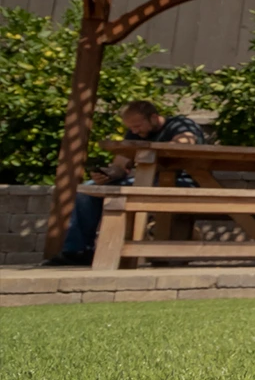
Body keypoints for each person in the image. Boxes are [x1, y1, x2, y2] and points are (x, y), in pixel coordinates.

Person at [48, 100, 206, 266]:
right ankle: (78, 251)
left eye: (138, 126)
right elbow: (119, 165)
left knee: (123, 190)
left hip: (185, 181)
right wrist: (108, 174)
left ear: (153, 117)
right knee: (87, 190)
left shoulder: (180, 125)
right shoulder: (135, 133)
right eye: (131, 127)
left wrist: (152, 151)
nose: (134, 131)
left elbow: (185, 142)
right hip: (147, 180)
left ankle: (117, 251)